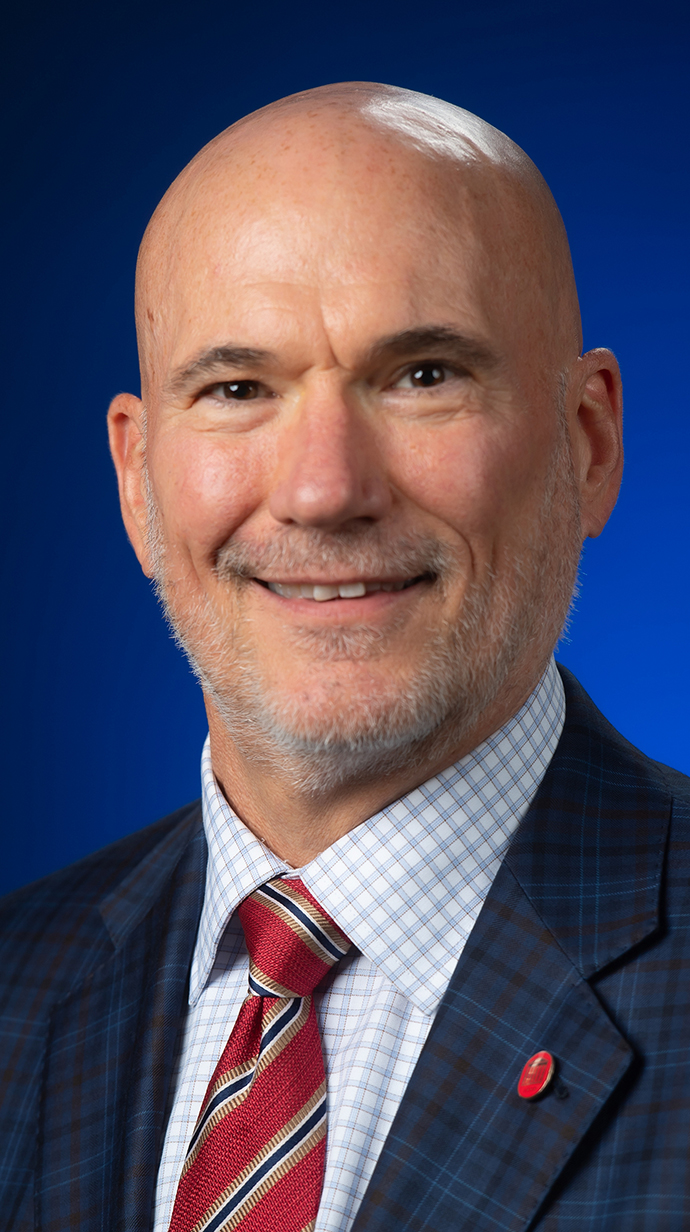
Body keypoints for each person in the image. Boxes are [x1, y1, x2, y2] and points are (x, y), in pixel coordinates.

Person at [1, 81, 688, 1232]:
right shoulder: (19, 986)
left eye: (423, 375)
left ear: (590, 444)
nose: (325, 488)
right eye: (237, 389)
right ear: (136, 483)